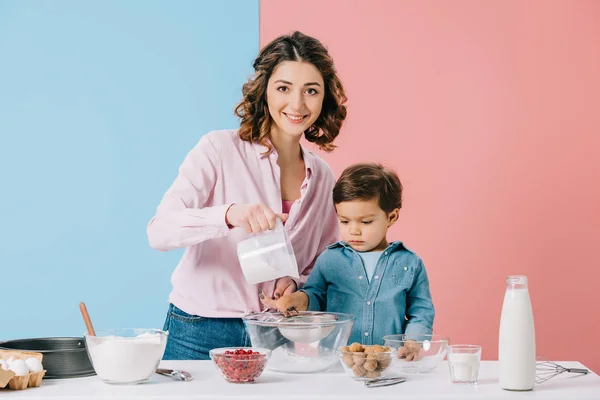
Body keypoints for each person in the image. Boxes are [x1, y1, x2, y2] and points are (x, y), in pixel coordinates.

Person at [147, 31, 347, 360]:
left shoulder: (322, 177)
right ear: (264, 90)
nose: (297, 105)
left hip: (274, 332)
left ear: (324, 98)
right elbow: (159, 231)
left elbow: (319, 267)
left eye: (310, 91)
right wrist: (227, 215)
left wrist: (296, 286)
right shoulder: (217, 149)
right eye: (284, 88)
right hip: (199, 329)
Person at [261, 163, 435, 358]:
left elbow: (421, 311)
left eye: (365, 222)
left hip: (390, 362)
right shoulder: (330, 259)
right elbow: (317, 295)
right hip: (336, 362)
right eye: (344, 221)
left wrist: (412, 343)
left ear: (391, 216)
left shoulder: (409, 263)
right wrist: (299, 300)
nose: (354, 230)